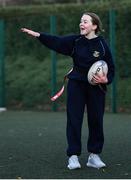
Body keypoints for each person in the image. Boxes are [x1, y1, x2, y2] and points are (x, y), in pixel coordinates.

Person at [21, 12, 115, 170]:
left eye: (85, 21)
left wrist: (106, 79)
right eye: (80, 21)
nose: (81, 24)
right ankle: (73, 156)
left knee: (96, 120)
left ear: (94, 26)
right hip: (76, 84)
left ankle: (94, 156)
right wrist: (38, 35)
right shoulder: (75, 41)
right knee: (74, 120)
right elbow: (56, 41)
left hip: (96, 88)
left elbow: (111, 67)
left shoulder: (102, 45)